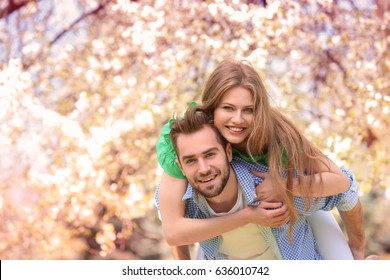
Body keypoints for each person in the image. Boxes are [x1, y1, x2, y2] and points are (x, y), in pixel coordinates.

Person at [156, 59, 365, 259]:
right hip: (225, 230)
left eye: (249, 110)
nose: (238, 119)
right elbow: (174, 228)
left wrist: (285, 186)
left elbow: (342, 182)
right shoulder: (188, 141)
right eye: (228, 108)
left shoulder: (278, 135)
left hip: (296, 198)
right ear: (211, 109)